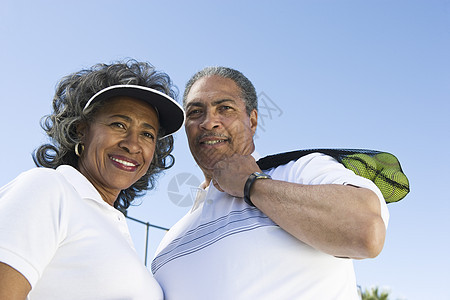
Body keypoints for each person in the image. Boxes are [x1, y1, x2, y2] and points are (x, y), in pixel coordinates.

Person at [151, 66, 390, 300]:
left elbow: (366, 230)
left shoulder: (299, 171)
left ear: (252, 121)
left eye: (224, 108)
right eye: (195, 112)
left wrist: (251, 184)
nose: (208, 122)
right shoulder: (168, 243)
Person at [0, 60, 185, 300]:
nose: (132, 144)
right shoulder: (48, 188)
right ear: (81, 130)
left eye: (147, 134)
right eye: (119, 124)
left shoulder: (115, 228)